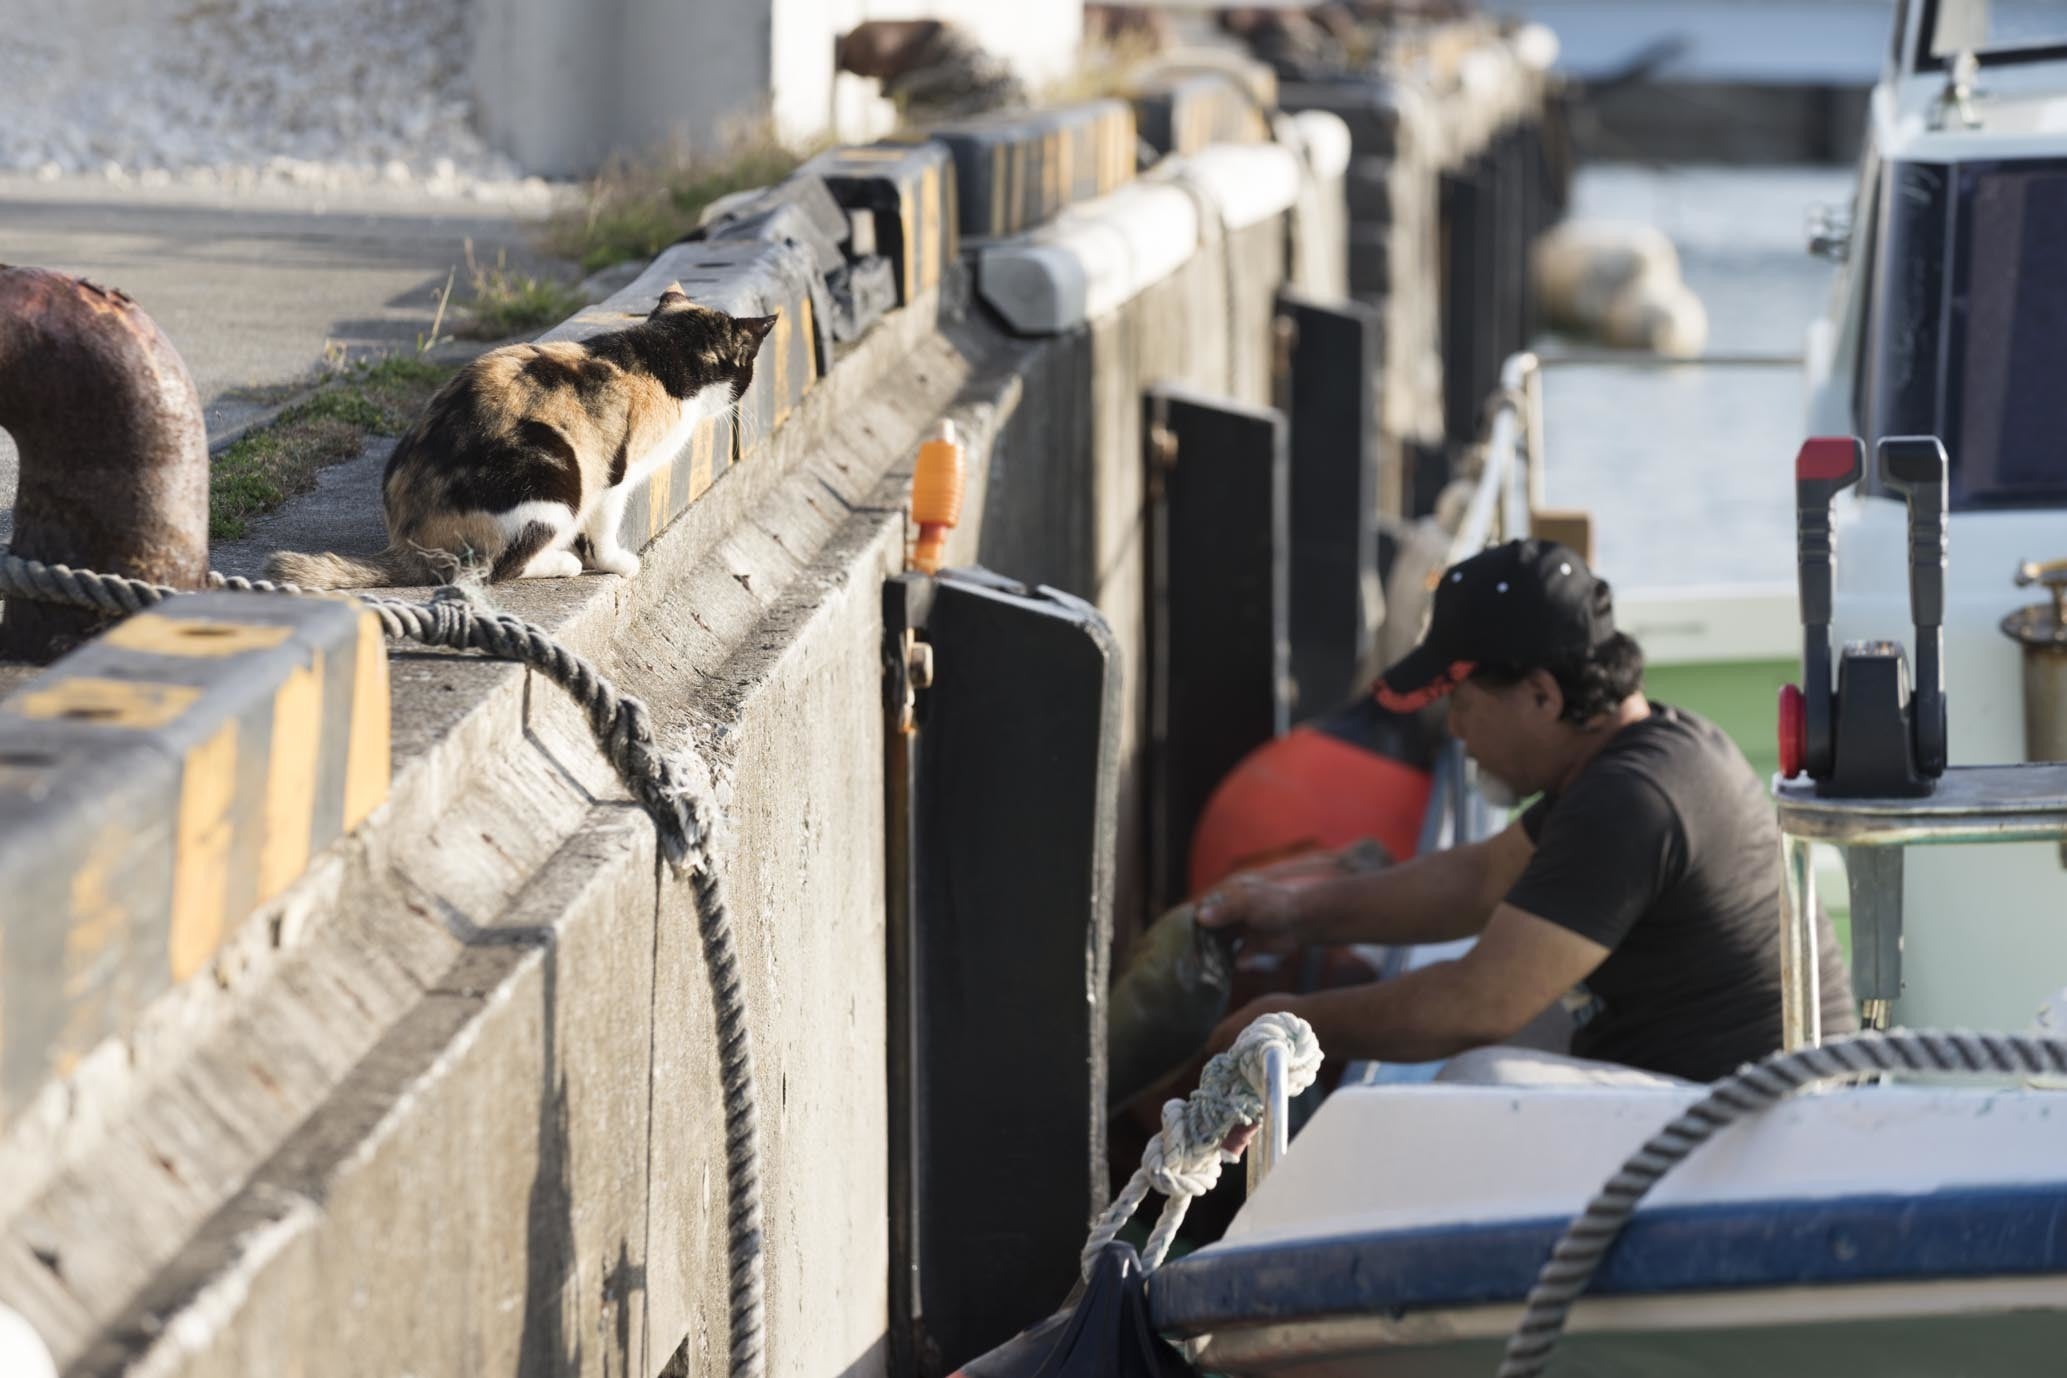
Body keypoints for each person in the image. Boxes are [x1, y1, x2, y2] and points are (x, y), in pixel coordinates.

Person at [1196, 538, 1857, 1082]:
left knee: (1479, 1074)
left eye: (1462, 705)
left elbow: (1476, 1005)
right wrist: (1292, 914)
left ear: (1542, 695)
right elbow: (1480, 878)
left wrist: (1285, 1024)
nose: (1456, 733)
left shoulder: (1631, 800)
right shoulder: (1651, 747)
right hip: (1747, 1084)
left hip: (1759, 1126)